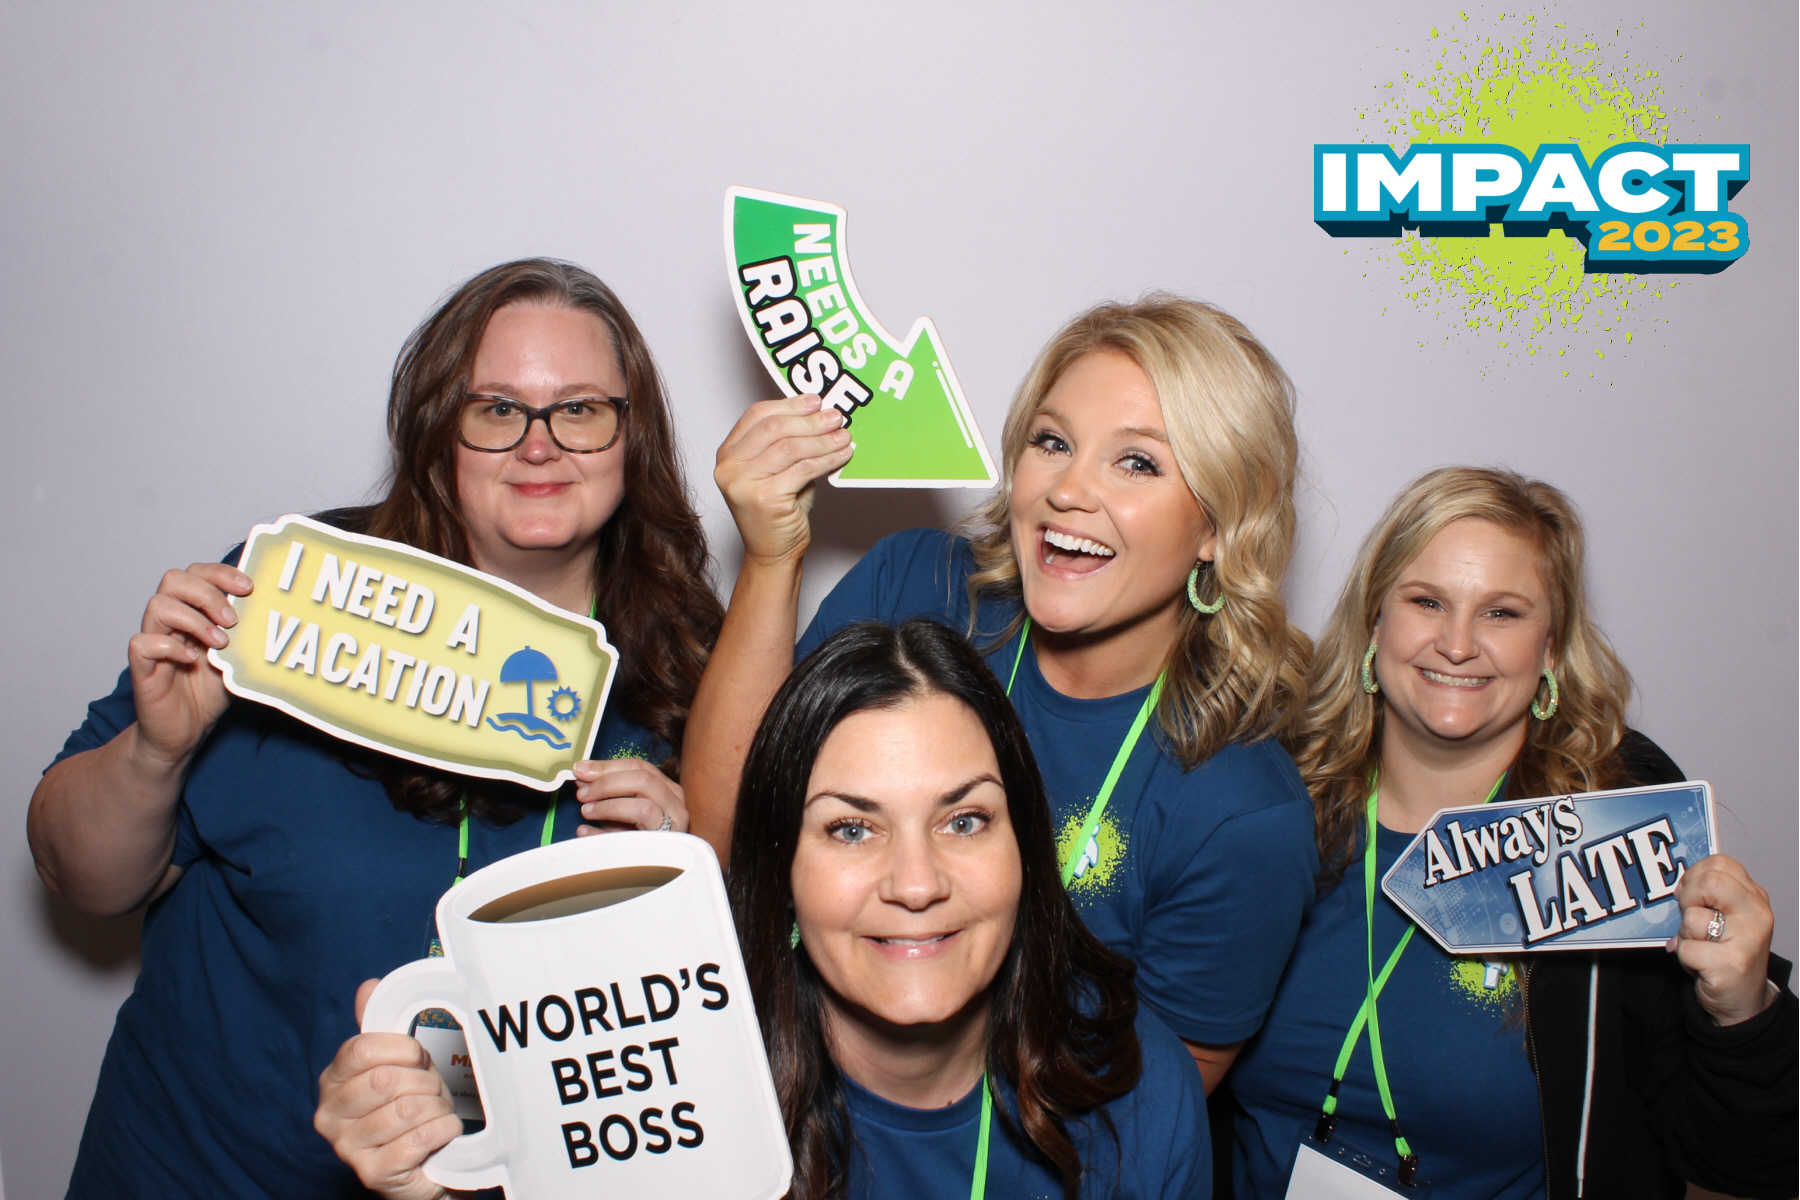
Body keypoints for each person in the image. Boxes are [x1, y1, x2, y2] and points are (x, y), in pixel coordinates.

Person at [27, 259, 724, 1199]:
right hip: (199, 1173)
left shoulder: (692, 669)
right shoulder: (294, 600)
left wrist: (677, 889)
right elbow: (80, 877)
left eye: (580, 410)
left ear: (632, 436)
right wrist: (160, 749)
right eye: (497, 409)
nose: (540, 445)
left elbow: (679, 1039)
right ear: (438, 428)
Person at [316, 618, 1211, 1199]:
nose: (915, 883)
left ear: (1024, 851)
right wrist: (436, 1180)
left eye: (965, 819)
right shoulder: (656, 1066)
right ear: (780, 867)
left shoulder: (1135, 1087)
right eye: (851, 829)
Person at [685, 295, 1318, 1096]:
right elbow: (727, 834)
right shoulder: (914, 588)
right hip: (787, 1090)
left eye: (1137, 462)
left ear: (1218, 528)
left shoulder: (1243, 813)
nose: (1068, 490)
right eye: (1052, 442)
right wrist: (773, 557)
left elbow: (1144, 1116)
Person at [1227, 466, 1797, 1200]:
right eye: (1427, 601)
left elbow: (1744, 1160)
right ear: (1375, 623)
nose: (1458, 643)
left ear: (1551, 650)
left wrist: (1742, 1013)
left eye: (1501, 613)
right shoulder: (1270, 805)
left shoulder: (1608, 842)